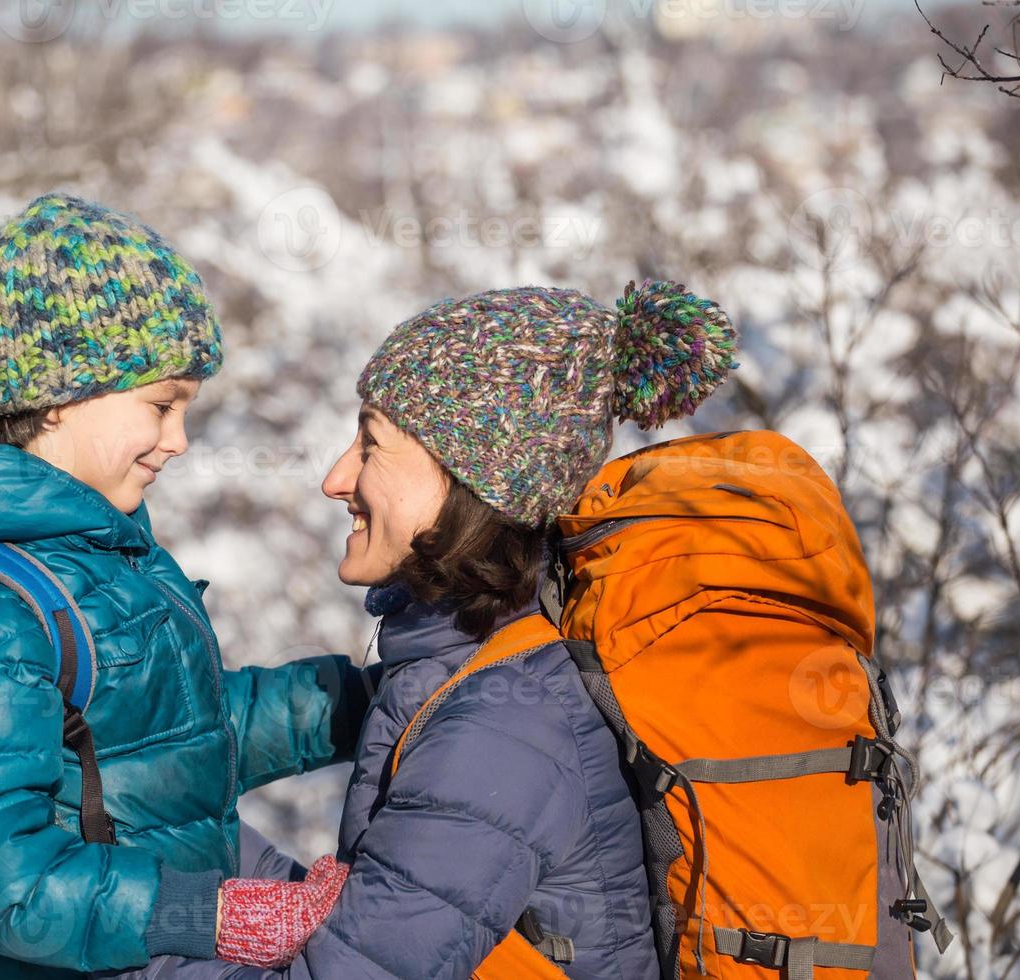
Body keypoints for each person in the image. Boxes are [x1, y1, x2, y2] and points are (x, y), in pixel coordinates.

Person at [0, 193, 371, 979]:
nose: (178, 441)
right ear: (63, 393)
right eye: (162, 406)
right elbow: (4, 879)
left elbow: (164, 746)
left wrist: (353, 704)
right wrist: (213, 915)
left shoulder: (89, 550)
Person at [113, 281, 735, 980]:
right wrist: (151, 839)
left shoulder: (500, 731)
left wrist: (111, 932)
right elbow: (369, 941)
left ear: (467, 481)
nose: (335, 477)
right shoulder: (470, 675)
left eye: (371, 444)